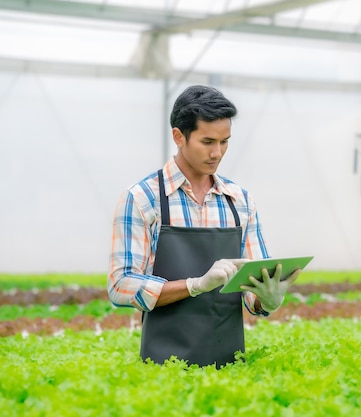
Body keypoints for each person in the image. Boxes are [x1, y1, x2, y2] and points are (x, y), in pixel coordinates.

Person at [107, 85, 299, 368]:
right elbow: (121, 284)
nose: (217, 153)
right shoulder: (142, 199)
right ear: (178, 137)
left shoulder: (239, 201)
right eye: (207, 142)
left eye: (225, 142)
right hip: (163, 368)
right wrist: (194, 285)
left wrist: (265, 300)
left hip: (230, 365)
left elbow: (252, 284)